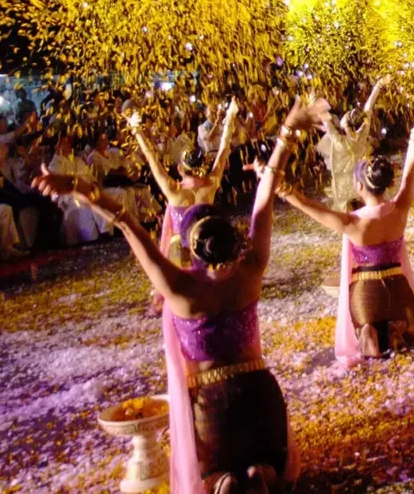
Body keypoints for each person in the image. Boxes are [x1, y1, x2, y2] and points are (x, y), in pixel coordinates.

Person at [31, 98, 320, 493]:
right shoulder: (250, 271)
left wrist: (80, 188)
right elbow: (265, 197)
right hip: (261, 395)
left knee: (219, 477)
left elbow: (125, 222)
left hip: (212, 406)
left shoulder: (182, 290)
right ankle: (261, 471)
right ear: (232, 238)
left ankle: (225, 481)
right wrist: (287, 131)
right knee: (265, 468)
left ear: (191, 246)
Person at [267, 87, 414, 362]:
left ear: (359, 187)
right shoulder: (400, 210)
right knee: (396, 312)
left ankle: (370, 329)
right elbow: (411, 162)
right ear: (386, 184)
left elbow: (310, 207)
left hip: (366, 296)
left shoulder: (352, 223)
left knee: (365, 312)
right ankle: (395, 328)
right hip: (400, 292)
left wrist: (281, 187)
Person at [131, 102, 238, 314]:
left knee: (183, 296)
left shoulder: (174, 191)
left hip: (180, 252)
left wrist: (137, 131)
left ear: (180, 168)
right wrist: (231, 117)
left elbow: (152, 158)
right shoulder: (211, 184)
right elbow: (224, 148)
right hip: (208, 247)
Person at [315, 77, 389, 210]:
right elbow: (369, 106)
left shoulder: (340, 142)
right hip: (359, 184)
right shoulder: (363, 135)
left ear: (347, 123)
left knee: (349, 216)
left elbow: (327, 123)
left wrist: (317, 105)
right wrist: (378, 85)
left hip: (344, 188)